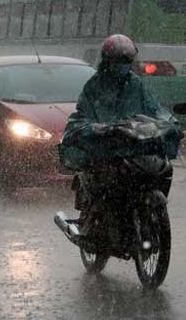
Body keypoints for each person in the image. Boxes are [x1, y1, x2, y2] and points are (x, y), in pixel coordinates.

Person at [61, 35, 179, 226]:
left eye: (126, 61)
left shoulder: (135, 84)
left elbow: (154, 108)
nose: (123, 65)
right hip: (107, 146)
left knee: (161, 168)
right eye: (119, 61)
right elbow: (84, 114)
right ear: (108, 60)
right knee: (109, 182)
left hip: (132, 143)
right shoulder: (94, 85)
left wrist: (167, 123)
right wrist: (98, 128)